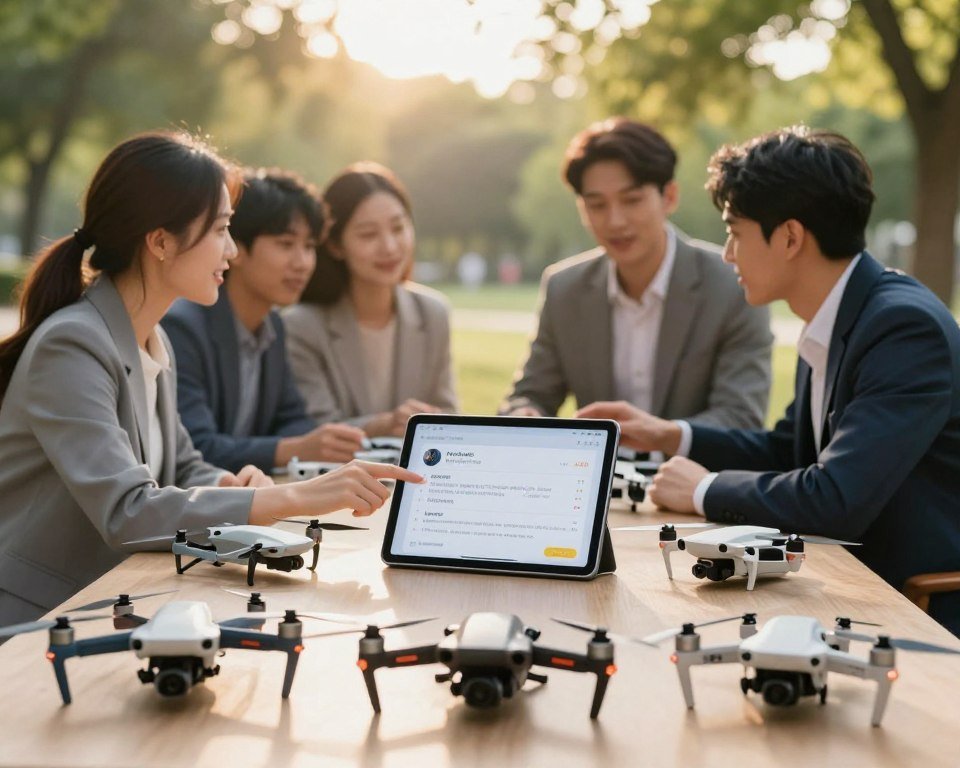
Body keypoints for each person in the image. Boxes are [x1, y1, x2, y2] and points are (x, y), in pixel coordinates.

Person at [0, 133, 422, 626]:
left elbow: (182, 464)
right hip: (32, 619)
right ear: (160, 241)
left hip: (110, 600)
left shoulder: (151, 336)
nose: (233, 251)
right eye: (221, 230)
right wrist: (287, 497)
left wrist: (227, 482)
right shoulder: (72, 344)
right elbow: (127, 511)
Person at [578, 127, 960, 634]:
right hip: (838, 584)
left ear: (791, 237)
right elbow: (789, 450)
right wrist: (672, 435)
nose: (728, 253)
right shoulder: (840, 313)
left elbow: (835, 501)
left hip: (912, 606)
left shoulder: (902, 328)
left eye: (735, 231)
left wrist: (704, 490)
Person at [501, 118, 772, 429]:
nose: (615, 221)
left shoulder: (732, 284)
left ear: (669, 196)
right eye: (597, 205)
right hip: (595, 476)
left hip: (693, 474)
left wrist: (661, 436)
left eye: (631, 200)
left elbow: (740, 417)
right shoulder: (564, 288)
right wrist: (524, 414)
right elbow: (529, 394)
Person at [162, 168, 365, 474]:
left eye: (309, 247)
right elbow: (196, 446)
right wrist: (294, 449)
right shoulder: (184, 327)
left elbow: (291, 416)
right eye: (286, 244)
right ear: (238, 249)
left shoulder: (273, 325)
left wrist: (323, 441)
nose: (303, 263)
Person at [284, 162, 458, 437]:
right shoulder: (302, 326)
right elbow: (315, 430)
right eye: (368, 234)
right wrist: (383, 425)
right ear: (335, 245)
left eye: (398, 228)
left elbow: (448, 417)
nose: (389, 247)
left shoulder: (433, 313)